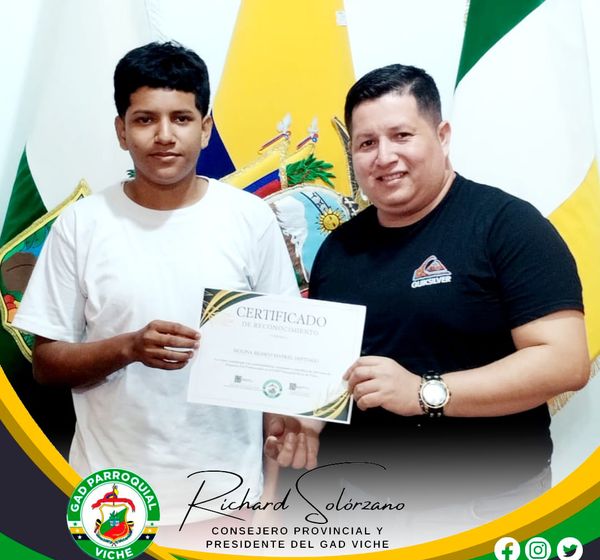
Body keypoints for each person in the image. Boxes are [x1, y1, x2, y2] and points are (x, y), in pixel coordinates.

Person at [13, 41, 319, 527]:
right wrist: (129, 348)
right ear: (121, 130)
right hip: (110, 498)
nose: (164, 136)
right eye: (145, 119)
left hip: (230, 498)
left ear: (206, 127)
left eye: (181, 118)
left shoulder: (250, 219)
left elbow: (280, 355)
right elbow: (46, 365)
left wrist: (269, 495)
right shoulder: (81, 224)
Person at [307, 64, 589, 533]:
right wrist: (304, 422)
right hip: (358, 508)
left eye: (401, 135)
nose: (384, 156)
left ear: (442, 136)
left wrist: (423, 392)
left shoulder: (508, 226)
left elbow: (565, 362)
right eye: (367, 143)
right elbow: (332, 373)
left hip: (485, 508)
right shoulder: (337, 249)